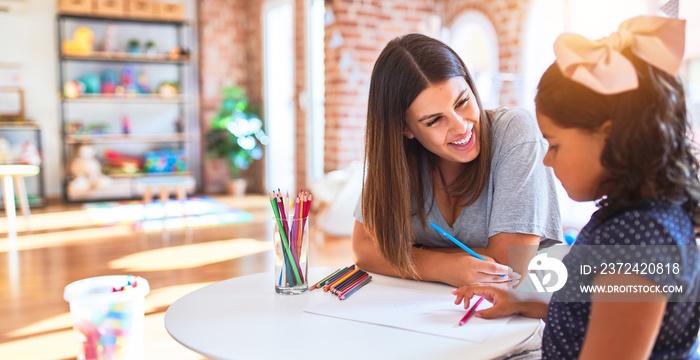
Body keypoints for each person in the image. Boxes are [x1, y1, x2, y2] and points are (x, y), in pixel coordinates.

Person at [453, 16, 700, 359]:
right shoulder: (638, 219)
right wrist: (522, 300)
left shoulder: (637, 241)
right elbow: (592, 309)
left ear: (609, 136)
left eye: (554, 145)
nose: (547, 161)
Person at [352, 33, 563, 287]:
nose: (461, 127)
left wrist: (410, 254)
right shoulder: (399, 158)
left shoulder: (515, 132)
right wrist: (446, 268)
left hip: (522, 309)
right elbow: (364, 248)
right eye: (434, 120)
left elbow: (508, 265)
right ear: (405, 129)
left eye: (462, 101)